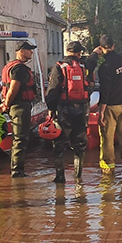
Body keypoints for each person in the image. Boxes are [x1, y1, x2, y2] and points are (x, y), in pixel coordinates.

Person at [45, 41, 94, 183]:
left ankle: (60, 177)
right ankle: (78, 177)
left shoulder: (59, 66)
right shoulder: (85, 66)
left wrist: (51, 109)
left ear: (67, 51)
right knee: (80, 144)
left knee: (60, 143)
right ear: (79, 53)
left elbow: (53, 89)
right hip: (82, 108)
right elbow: (90, 85)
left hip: (64, 109)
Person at [94, 35, 122, 175]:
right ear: (113, 45)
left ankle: (108, 170)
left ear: (101, 49)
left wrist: (101, 112)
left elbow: (105, 91)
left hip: (110, 106)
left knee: (107, 139)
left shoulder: (105, 67)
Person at [0, 41, 37, 178]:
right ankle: (17, 171)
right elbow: (13, 89)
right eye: (29, 50)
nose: (31, 52)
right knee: (20, 139)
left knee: (19, 138)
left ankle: (17, 169)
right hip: (19, 106)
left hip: (16, 106)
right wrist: (6, 104)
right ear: (21, 51)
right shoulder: (19, 69)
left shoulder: (12, 66)